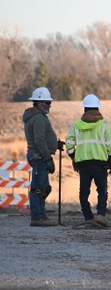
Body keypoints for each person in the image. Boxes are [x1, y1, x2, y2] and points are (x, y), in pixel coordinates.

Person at [65, 94, 111, 225]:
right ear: (98, 108)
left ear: (84, 109)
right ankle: (100, 215)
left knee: (83, 191)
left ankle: (88, 217)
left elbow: (69, 144)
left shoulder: (76, 125)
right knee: (102, 190)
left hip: (83, 164)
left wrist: (74, 157)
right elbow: (110, 145)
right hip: (100, 164)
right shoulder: (104, 125)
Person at [23, 87, 59, 226]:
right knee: (37, 187)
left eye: (49, 102)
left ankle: (41, 215)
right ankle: (37, 217)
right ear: (38, 102)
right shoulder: (38, 118)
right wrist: (48, 158)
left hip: (39, 156)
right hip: (39, 157)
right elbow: (39, 140)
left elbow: (43, 138)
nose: (49, 105)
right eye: (47, 102)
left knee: (44, 187)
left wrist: (55, 144)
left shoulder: (38, 116)